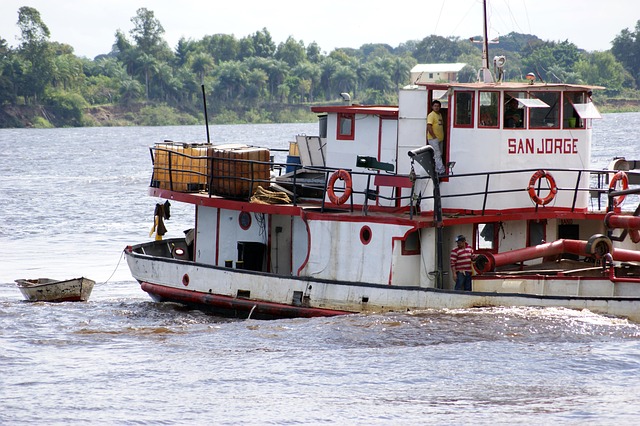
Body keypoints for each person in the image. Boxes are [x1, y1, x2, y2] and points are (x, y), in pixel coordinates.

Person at [426, 99, 446, 175]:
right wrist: (434, 136)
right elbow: (429, 126)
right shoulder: (431, 115)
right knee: (437, 154)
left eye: (438, 106)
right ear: (432, 107)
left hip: (440, 139)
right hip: (433, 139)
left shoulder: (439, 115)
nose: (436, 107)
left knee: (439, 154)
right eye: (435, 106)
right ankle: (441, 171)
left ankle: (437, 170)